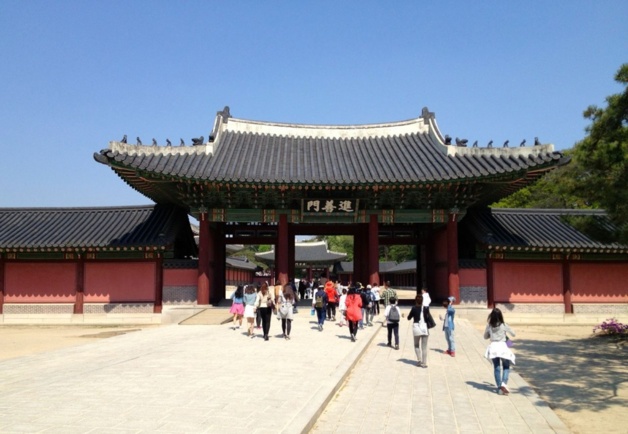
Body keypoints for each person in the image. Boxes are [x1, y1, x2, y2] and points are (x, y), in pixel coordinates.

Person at [484, 308, 516, 395]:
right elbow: (513, 334)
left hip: (493, 347)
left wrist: (491, 334)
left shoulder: (489, 325)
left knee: (497, 367)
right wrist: (505, 332)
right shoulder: (504, 325)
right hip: (502, 347)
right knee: (506, 366)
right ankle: (503, 384)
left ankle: (499, 388)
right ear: (500, 316)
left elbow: (485, 337)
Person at [407, 294, 434, 367]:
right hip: (424, 328)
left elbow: (409, 318)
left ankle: (419, 360)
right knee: (424, 347)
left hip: (416, 328)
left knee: (416, 345)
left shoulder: (413, 308)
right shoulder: (425, 309)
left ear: (415, 300)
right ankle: (424, 363)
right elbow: (428, 318)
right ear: (422, 301)